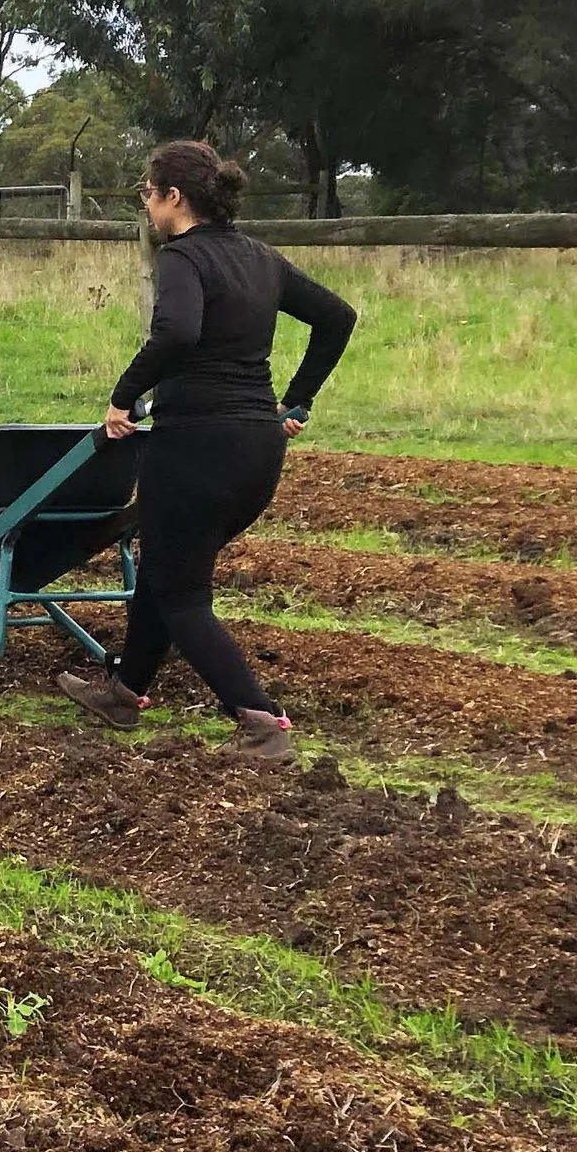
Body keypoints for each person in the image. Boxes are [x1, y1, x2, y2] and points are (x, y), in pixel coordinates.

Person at [57, 140, 356, 764]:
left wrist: (124, 396)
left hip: (195, 449)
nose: (145, 202)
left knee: (182, 594)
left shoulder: (182, 257)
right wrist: (295, 404)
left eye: (148, 191)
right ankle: (125, 691)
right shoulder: (260, 259)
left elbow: (178, 331)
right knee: (165, 572)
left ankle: (260, 720)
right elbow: (338, 317)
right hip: (256, 451)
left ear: (175, 197)